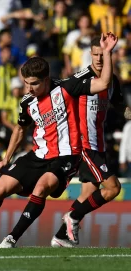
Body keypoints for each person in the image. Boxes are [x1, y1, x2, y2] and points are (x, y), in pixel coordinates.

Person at [0, 33, 118, 248]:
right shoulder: (27, 102)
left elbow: (104, 82)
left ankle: (11, 239)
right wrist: (7, 158)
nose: (29, 89)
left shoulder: (67, 88)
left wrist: (107, 53)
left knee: (41, 187)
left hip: (65, 157)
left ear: (46, 79)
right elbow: (19, 128)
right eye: (26, 83)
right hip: (37, 155)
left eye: (33, 84)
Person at [51, 35, 124, 247]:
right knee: (113, 188)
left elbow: (120, 107)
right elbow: (58, 94)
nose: (100, 59)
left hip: (98, 144)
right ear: (90, 55)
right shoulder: (82, 79)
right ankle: (72, 218)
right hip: (84, 144)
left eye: (103, 54)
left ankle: (61, 236)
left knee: (88, 193)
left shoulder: (112, 81)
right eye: (96, 55)